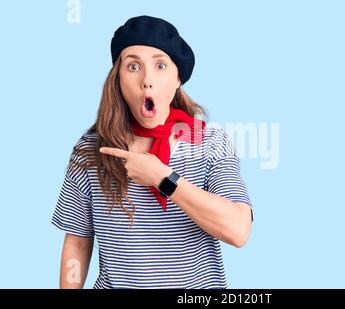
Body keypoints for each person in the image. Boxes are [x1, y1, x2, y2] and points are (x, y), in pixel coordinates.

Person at [51, 15, 253, 289]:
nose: (147, 80)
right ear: (118, 79)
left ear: (177, 78)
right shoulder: (90, 149)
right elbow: (77, 240)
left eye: (160, 66)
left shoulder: (209, 142)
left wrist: (164, 179)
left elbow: (238, 230)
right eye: (133, 66)